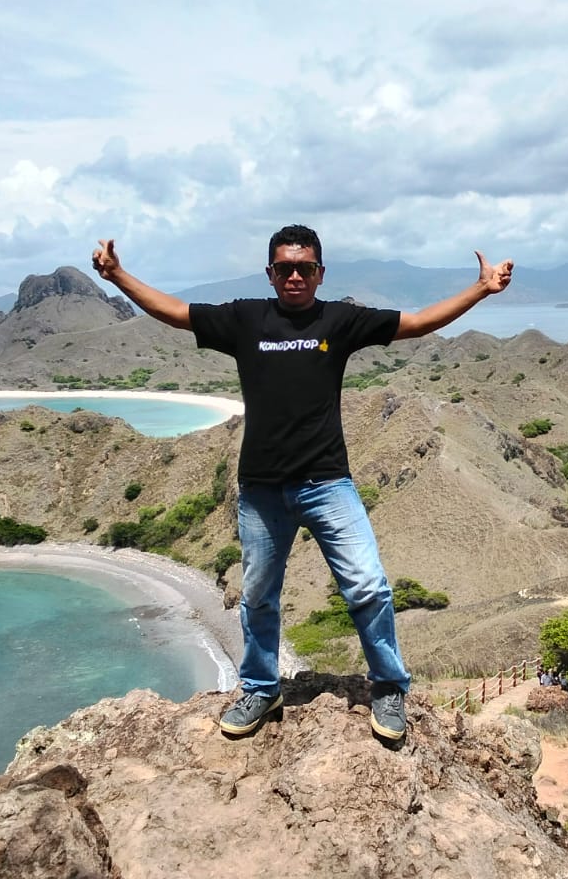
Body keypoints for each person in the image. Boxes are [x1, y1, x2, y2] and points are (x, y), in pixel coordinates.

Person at [92, 225, 513, 742]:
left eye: (305, 267)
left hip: (327, 483)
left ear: (320, 273)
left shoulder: (340, 317)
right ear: (271, 273)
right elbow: (174, 313)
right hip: (262, 489)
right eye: (285, 268)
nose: (295, 276)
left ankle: (388, 687)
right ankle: (261, 688)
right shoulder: (246, 318)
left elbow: (419, 323)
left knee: (368, 586)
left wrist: (480, 289)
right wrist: (117, 277)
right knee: (258, 595)